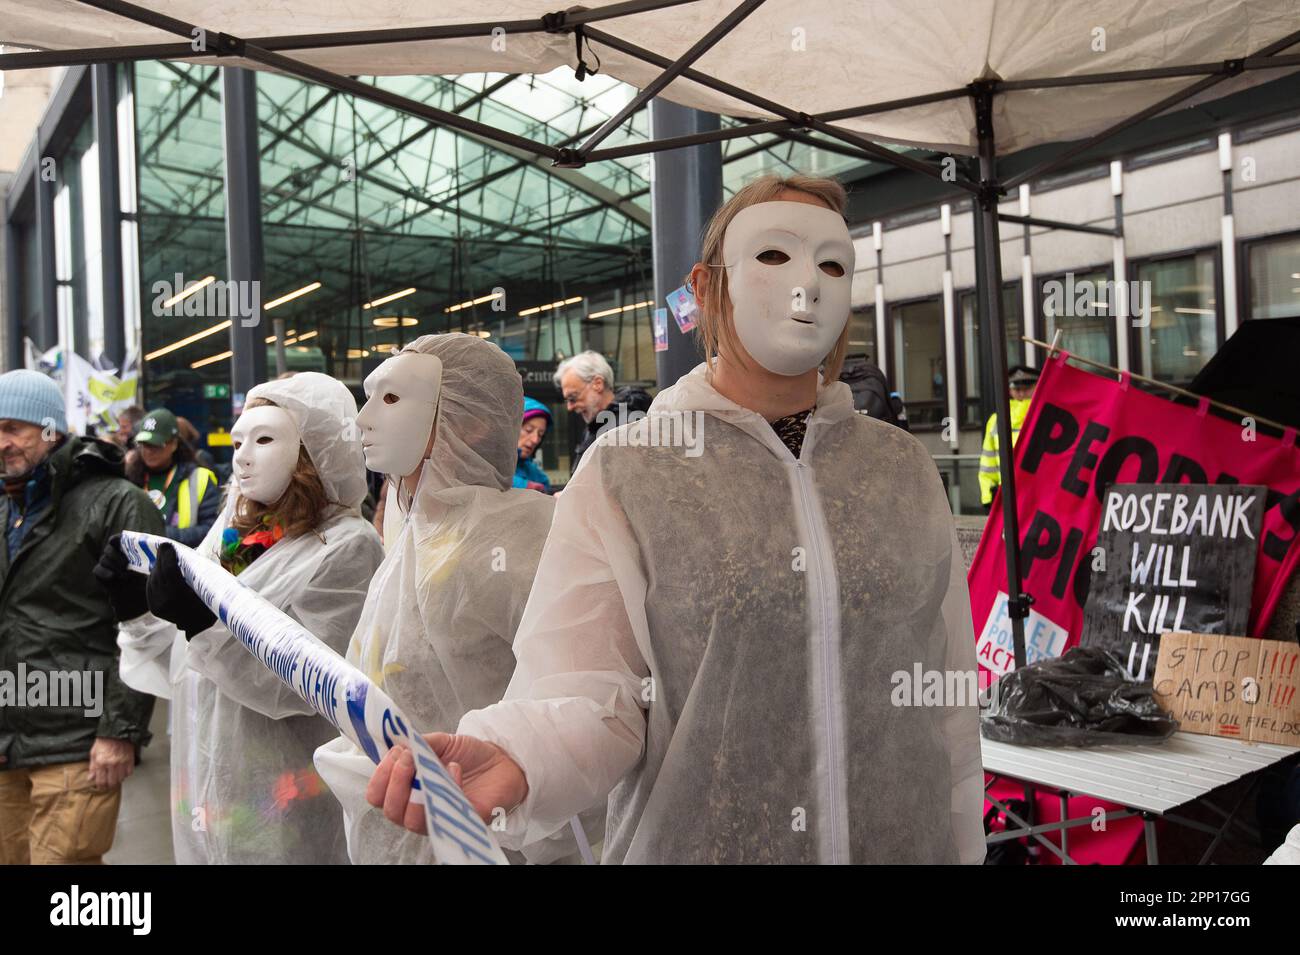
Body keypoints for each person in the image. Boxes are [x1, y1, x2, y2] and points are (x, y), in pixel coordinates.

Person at [367, 173, 985, 864]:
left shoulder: (899, 471)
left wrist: (965, 840)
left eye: (832, 263)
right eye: (774, 255)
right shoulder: (630, 471)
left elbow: (946, 688)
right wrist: (516, 752)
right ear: (708, 284)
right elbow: (587, 685)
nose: (807, 282)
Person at [314, 333, 593, 864]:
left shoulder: (523, 537)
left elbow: (579, 708)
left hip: (496, 839)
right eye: (369, 396)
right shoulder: (415, 532)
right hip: (396, 830)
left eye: (391, 398)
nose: (363, 418)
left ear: (471, 420)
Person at [99, 372, 385, 864]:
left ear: (313, 450)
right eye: (237, 441)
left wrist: (204, 625)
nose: (243, 455)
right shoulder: (237, 534)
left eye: (266, 438)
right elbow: (185, 659)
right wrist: (136, 609)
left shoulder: (349, 546)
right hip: (211, 776)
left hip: (287, 788)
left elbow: (310, 684)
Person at [0, 369, 163, 864]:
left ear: (50, 429)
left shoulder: (118, 504)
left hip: (77, 740)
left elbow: (148, 626)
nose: (1, 443)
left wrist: (120, 731)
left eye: (13, 428)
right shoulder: (7, 506)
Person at [126, 408, 220, 546]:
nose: (148, 451)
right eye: (144, 444)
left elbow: (212, 530)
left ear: (174, 444)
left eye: (156, 445)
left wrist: (162, 535)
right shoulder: (129, 478)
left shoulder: (199, 478)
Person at [554, 350, 652, 473]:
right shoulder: (600, 424)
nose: (570, 407)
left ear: (598, 384)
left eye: (573, 397)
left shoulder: (625, 426)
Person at [978, 365, 1039, 510]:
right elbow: (988, 461)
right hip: (1007, 496)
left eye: (1027, 388)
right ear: (1010, 390)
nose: (1022, 393)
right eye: (1017, 389)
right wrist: (988, 494)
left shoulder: (1042, 414)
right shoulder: (995, 420)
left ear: (1037, 387)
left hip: (1038, 495)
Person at [513, 397, 552, 491]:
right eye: (528, 430)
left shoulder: (538, 476)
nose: (535, 440)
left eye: (540, 434)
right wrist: (523, 485)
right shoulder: (486, 464)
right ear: (511, 427)